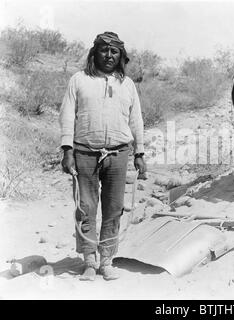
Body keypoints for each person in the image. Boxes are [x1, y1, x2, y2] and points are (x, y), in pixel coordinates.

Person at [59, 31, 146, 281]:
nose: (108, 55)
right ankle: (88, 260)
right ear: (94, 53)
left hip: (119, 153)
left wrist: (139, 153)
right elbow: (67, 115)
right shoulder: (79, 80)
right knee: (85, 207)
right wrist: (67, 150)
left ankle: (106, 260)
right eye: (103, 50)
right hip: (84, 152)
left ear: (121, 56)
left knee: (113, 208)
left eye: (114, 51)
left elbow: (136, 120)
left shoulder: (126, 84)